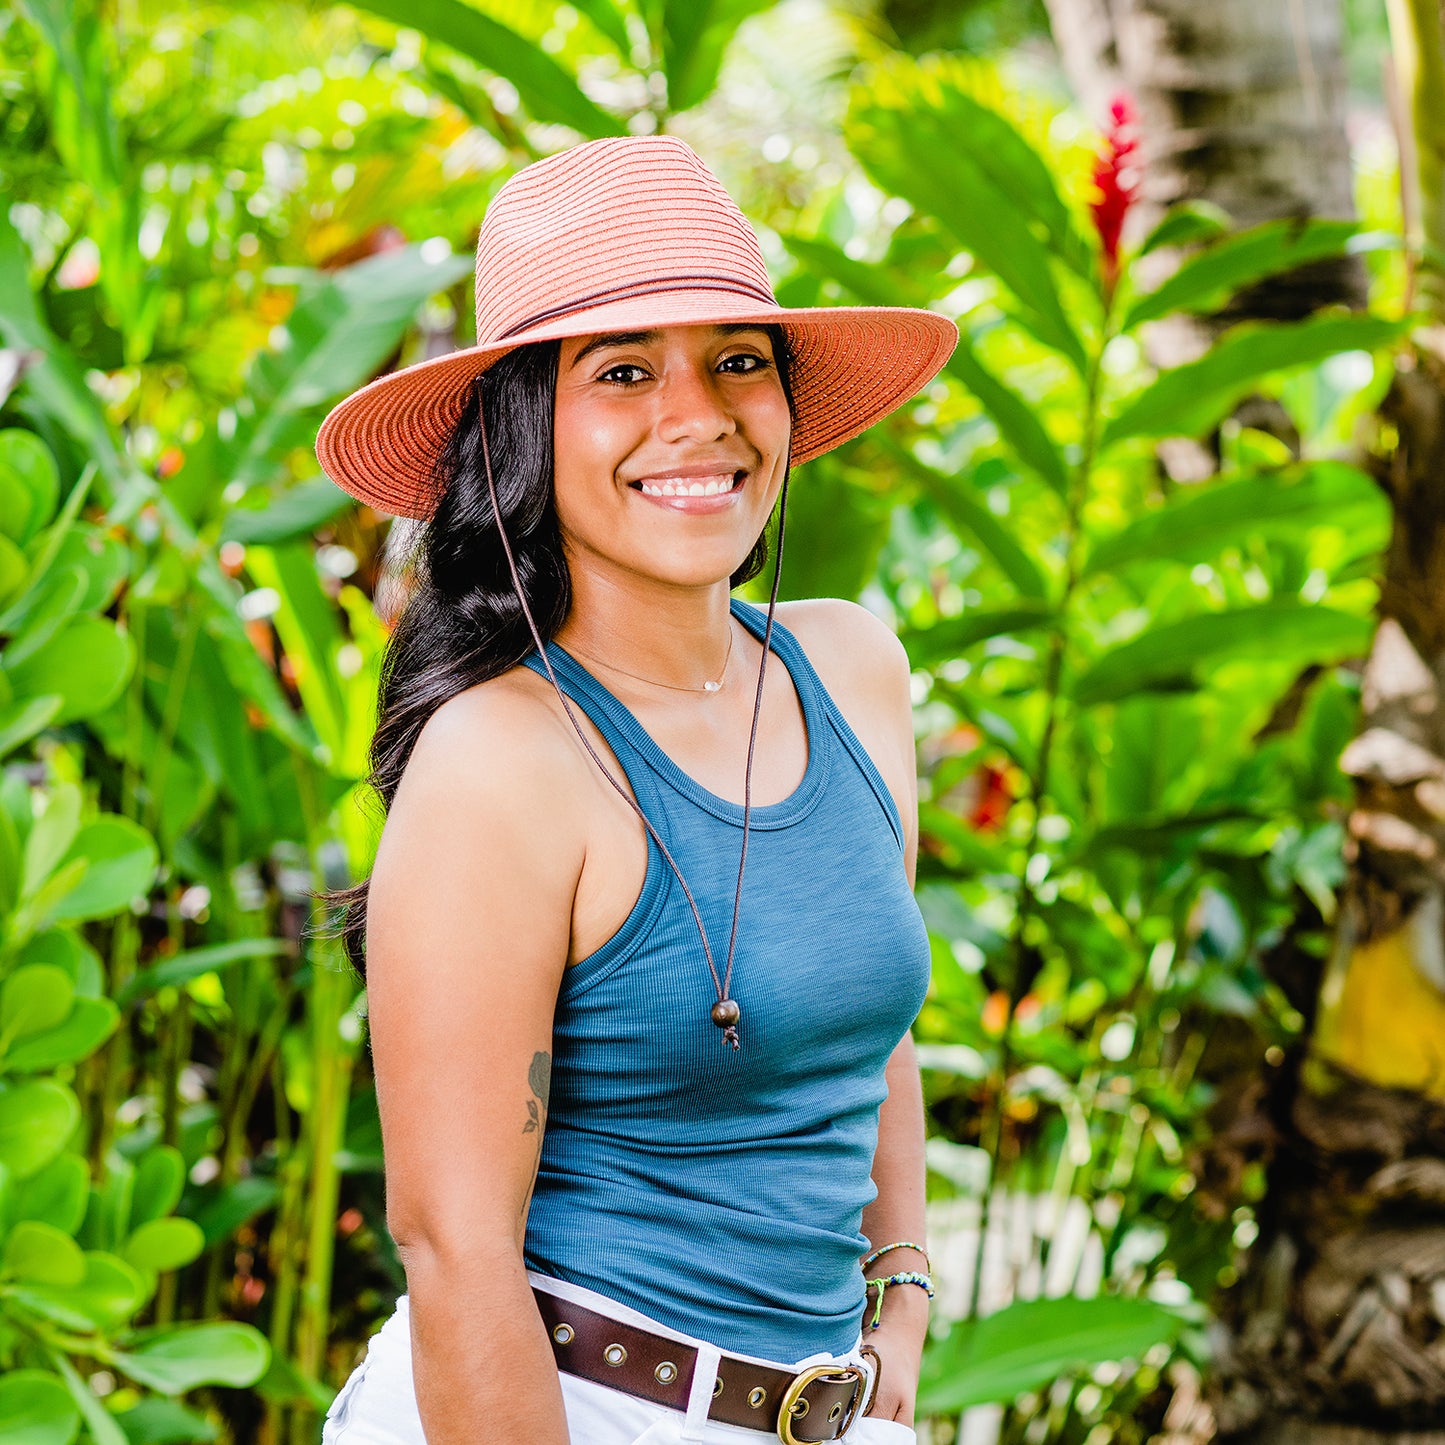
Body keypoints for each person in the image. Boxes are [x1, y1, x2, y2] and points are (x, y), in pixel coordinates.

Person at [312, 133, 958, 1444]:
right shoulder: (503, 759)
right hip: (572, 1402)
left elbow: (867, 1016)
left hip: (825, 1410)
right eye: (623, 371)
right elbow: (453, 1249)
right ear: (523, 424)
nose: (697, 414)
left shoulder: (850, 666)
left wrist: (899, 1277)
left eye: (736, 358)